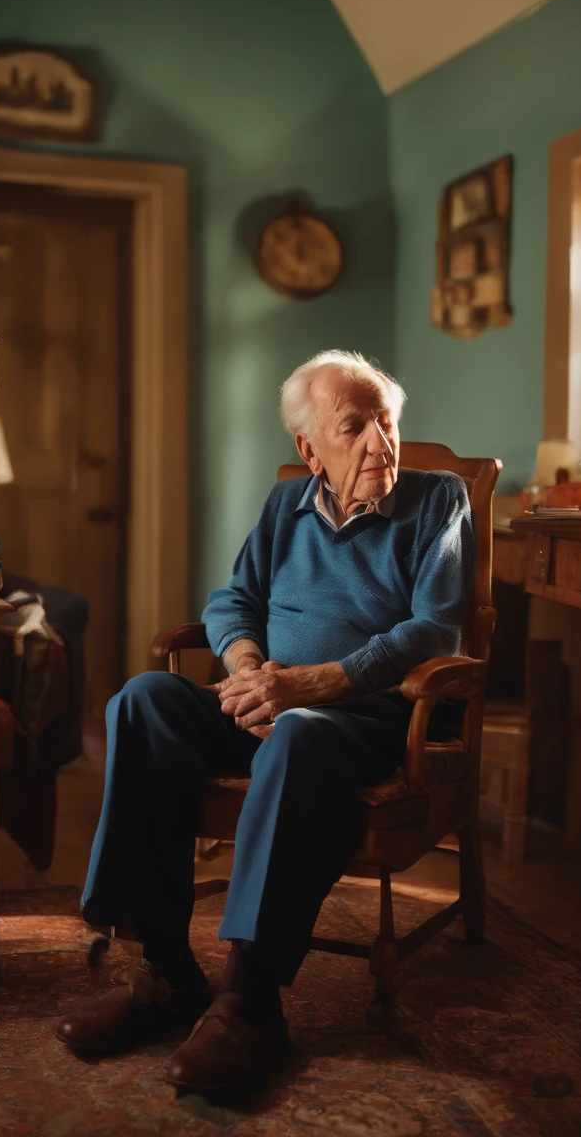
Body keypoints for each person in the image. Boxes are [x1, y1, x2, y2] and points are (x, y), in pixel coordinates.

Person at [56, 349, 475, 1098]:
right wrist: (249, 669)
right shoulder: (287, 506)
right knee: (143, 700)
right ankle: (166, 973)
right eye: (355, 426)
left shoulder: (438, 499)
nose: (380, 442)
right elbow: (231, 600)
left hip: (364, 720)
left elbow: (434, 632)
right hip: (269, 703)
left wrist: (312, 685)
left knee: (305, 731)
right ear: (308, 448)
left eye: (388, 421)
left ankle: (248, 1001)